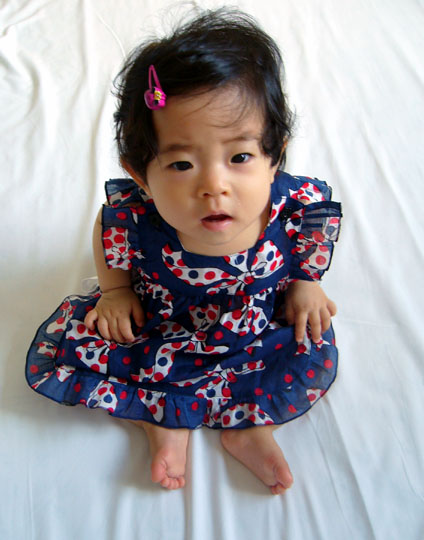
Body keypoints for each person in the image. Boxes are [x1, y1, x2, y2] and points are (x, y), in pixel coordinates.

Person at [26, 8, 342, 494]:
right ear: (140, 174)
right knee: (115, 349)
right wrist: (114, 292)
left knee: (297, 347)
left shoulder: (289, 204)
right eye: (181, 164)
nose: (213, 185)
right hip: (166, 321)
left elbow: (309, 236)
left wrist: (306, 283)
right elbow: (108, 231)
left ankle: (250, 427)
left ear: (274, 156)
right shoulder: (139, 214)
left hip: (255, 325)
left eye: (240, 157)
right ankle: (164, 421)